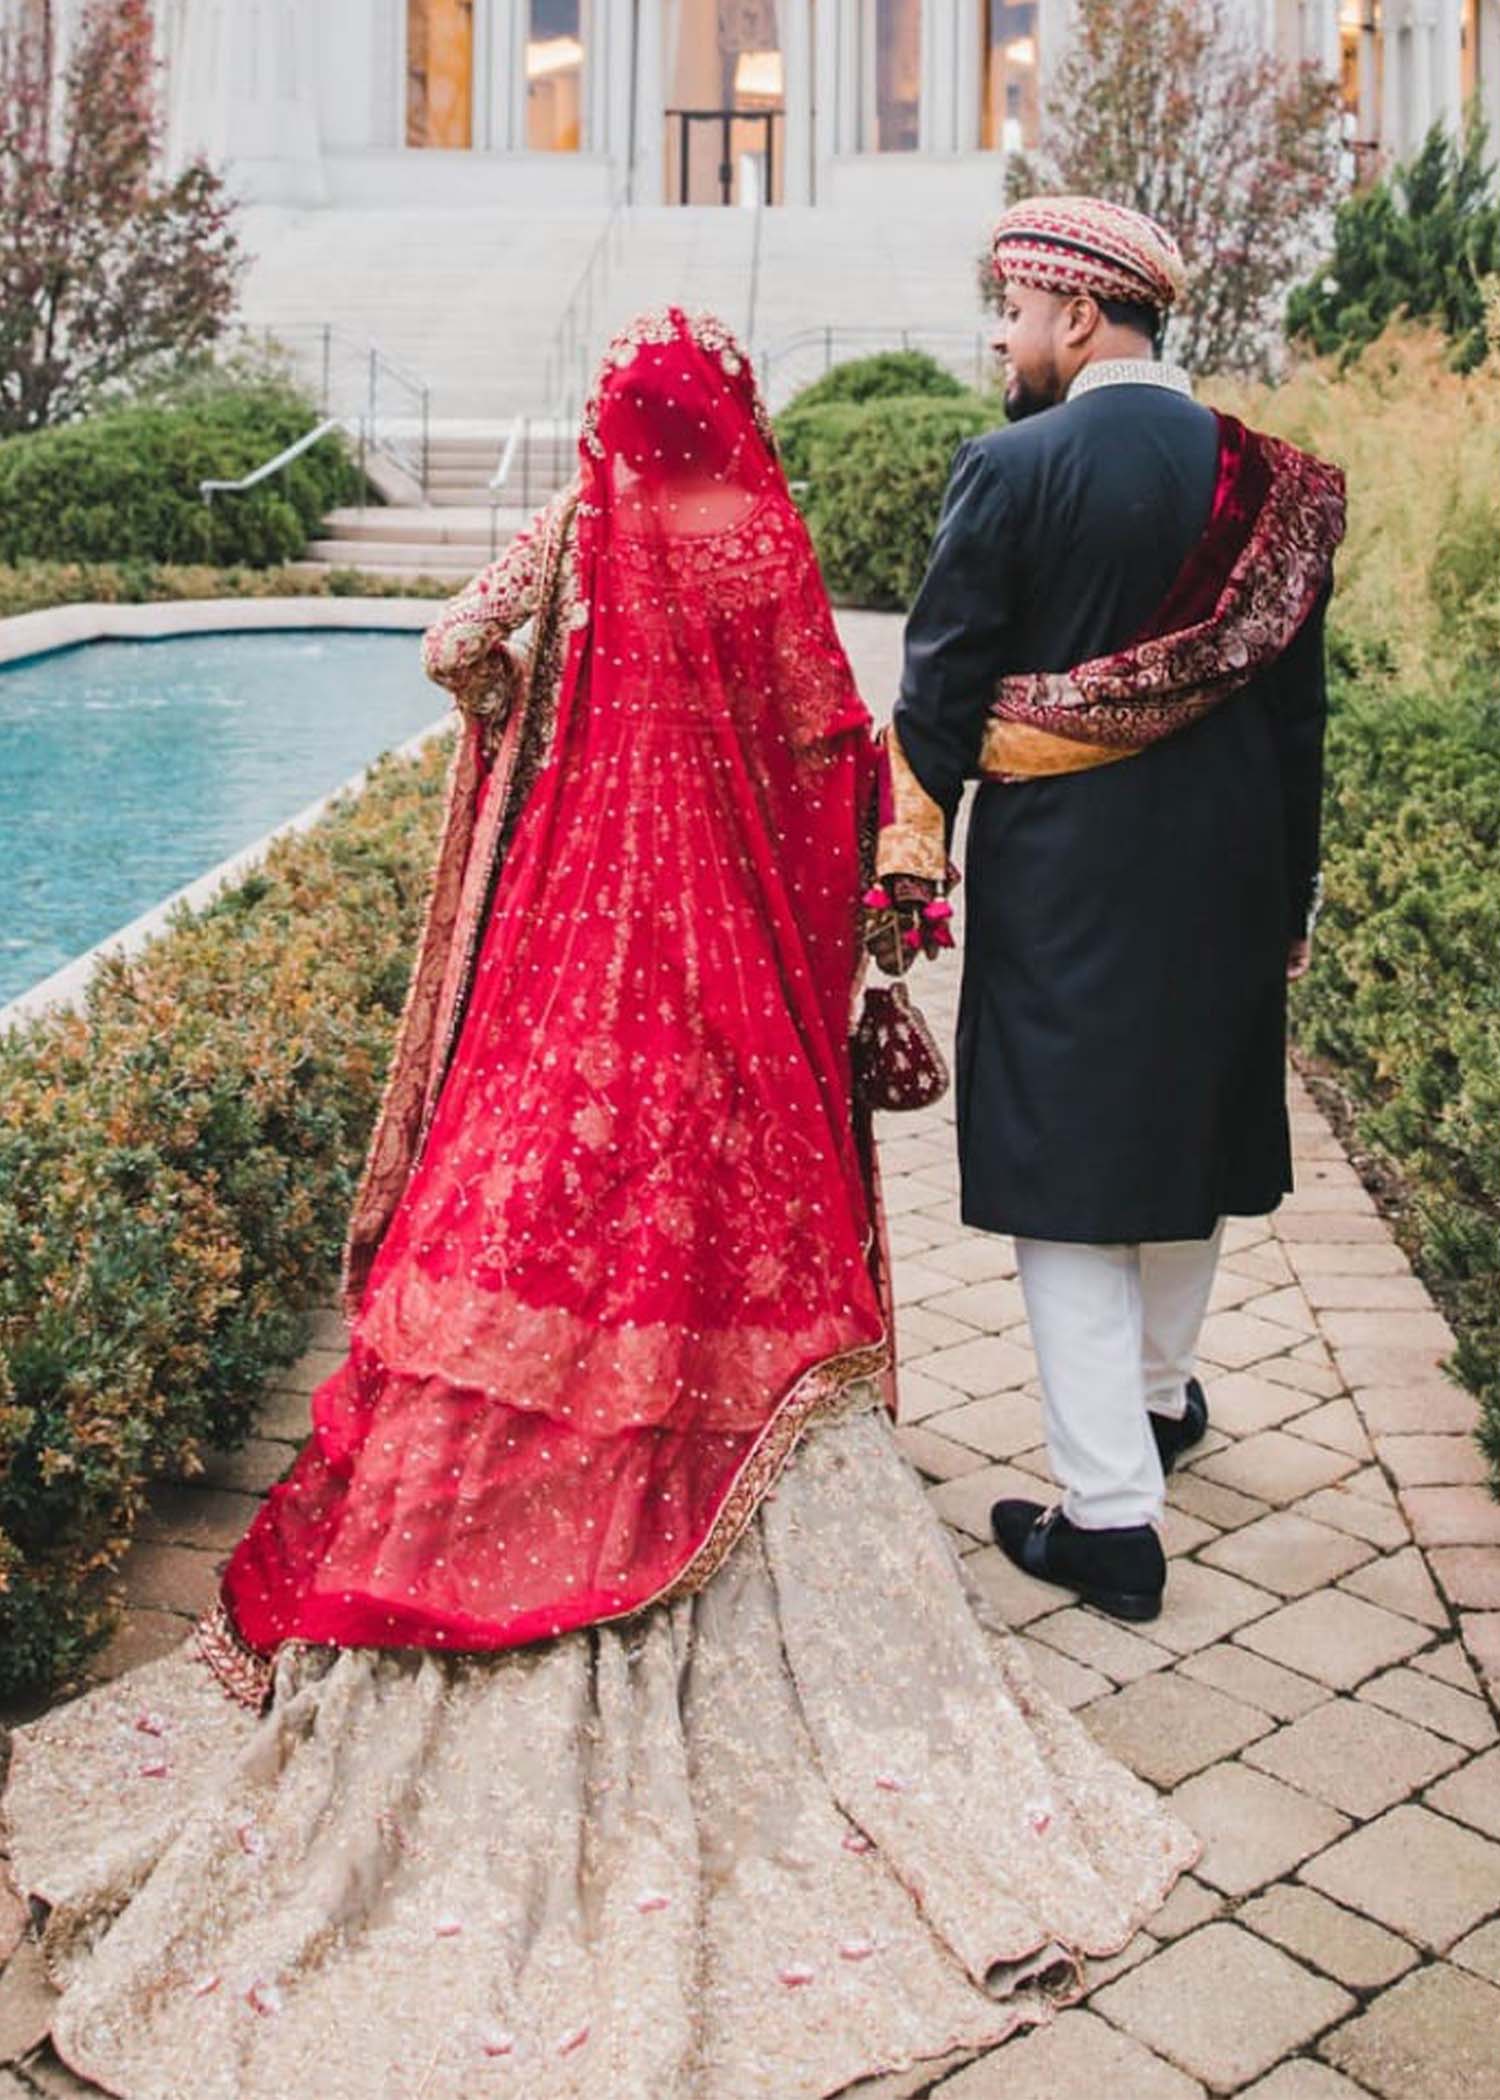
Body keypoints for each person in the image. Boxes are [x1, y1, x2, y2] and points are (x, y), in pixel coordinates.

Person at [1, 308, 1195, 2100]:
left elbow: (449, 648)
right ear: (735, 422)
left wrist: (517, 703)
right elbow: (833, 753)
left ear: (616, 426)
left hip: (567, 975)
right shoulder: (765, 553)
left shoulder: (573, 530)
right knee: (723, 1241)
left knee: (517, 1230)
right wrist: (847, 931)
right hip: (721, 1001)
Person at [878, 199, 1346, 1626]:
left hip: (1071, 877)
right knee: (1193, 1127)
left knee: (1068, 1165)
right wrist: (1294, 898)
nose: (1003, 339)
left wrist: (903, 873)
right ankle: (1156, 1397)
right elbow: (1300, 723)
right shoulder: (1281, 486)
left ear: (1080, 317)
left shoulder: (1012, 467)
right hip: (1235, 869)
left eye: (1016, 312)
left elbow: (938, 697)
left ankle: (1109, 1518)